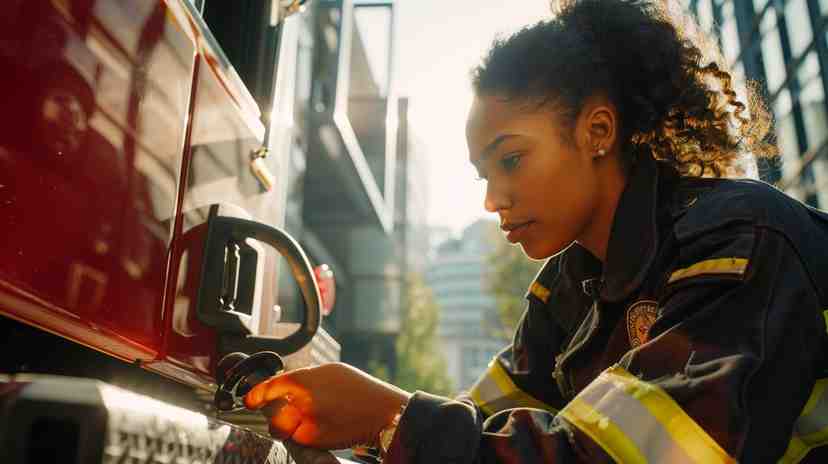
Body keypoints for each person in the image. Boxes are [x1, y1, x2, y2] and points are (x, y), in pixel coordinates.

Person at [245, 0, 828, 462]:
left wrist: (388, 417)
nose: (492, 199)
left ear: (597, 130)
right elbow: (479, 430)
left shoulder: (744, 241)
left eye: (512, 160)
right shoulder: (565, 290)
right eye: (483, 173)